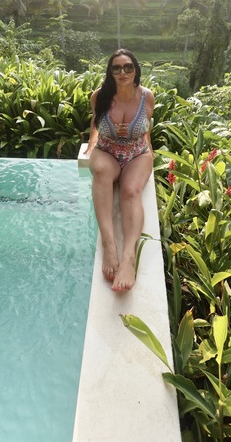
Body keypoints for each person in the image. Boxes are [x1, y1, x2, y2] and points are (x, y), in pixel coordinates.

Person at [85, 49, 155, 292]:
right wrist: (92, 143)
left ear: (136, 70)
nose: (123, 72)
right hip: (107, 151)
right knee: (101, 173)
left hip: (137, 153)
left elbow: (147, 128)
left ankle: (129, 257)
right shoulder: (99, 96)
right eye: (116, 68)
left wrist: (149, 150)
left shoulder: (146, 96)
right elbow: (95, 123)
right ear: (110, 71)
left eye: (128, 67)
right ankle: (109, 244)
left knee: (130, 191)